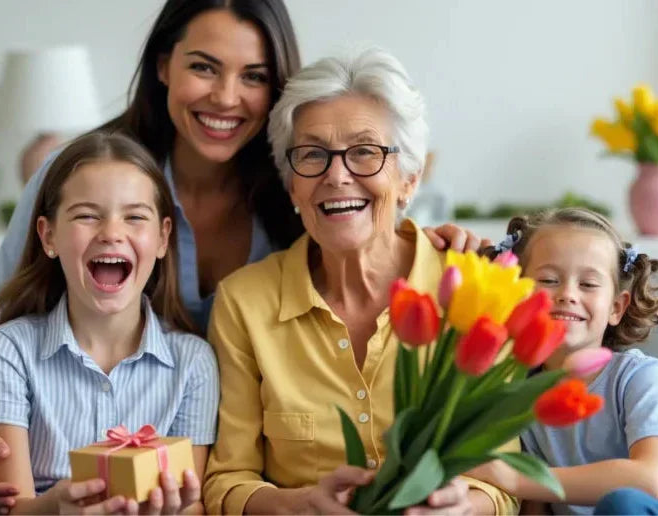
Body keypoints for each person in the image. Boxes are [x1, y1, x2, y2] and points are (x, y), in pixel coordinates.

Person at [0, 1, 480, 513]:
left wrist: (434, 243)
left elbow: (362, 205)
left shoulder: (288, 185)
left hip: (170, 460)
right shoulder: (84, 176)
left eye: (253, 76)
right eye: (203, 67)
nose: (226, 96)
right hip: (33, 435)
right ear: (163, 66)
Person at [202, 47, 516, 516]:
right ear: (292, 186)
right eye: (312, 155)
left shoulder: (474, 288)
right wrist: (300, 506)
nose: (336, 175)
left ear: (409, 179)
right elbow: (227, 481)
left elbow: (504, 477)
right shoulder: (245, 303)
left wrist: (465, 508)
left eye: (365, 152)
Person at [0, 132, 217, 514]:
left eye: (135, 217)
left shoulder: (194, 362)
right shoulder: (9, 350)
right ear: (48, 235)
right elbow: (13, 507)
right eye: (87, 215)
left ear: (162, 238)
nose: (112, 234)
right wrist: (55, 506)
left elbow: (193, 502)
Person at [470, 207, 658, 515]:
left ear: (617, 307)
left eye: (588, 284)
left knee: (623, 502)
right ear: (518, 294)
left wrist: (512, 478)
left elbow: (649, 480)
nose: (567, 294)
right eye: (548, 280)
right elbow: (536, 507)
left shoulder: (641, 378)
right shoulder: (520, 393)